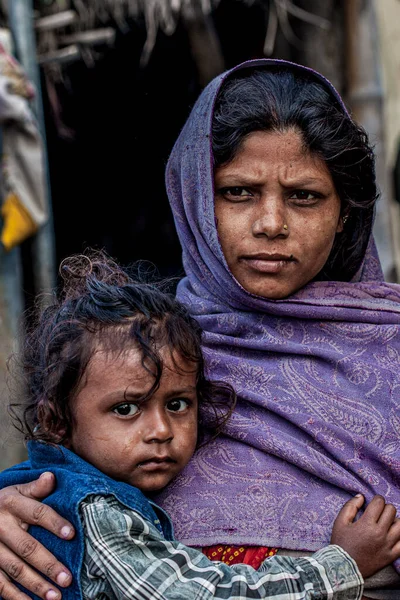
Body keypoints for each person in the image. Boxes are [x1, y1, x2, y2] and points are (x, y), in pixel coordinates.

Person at [0, 58, 400, 600]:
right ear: (194, 198)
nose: (271, 224)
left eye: (304, 196)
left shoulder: (389, 348)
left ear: (345, 213)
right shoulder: (145, 354)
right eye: (238, 192)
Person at [0, 248, 390, 600]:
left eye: (177, 403)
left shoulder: (29, 485)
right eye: (125, 409)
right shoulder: (98, 513)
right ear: (57, 421)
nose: (161, 431)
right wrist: (341, 567)